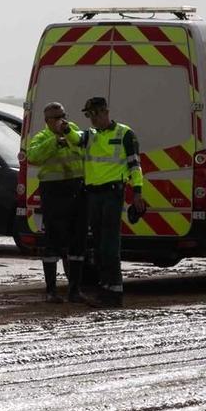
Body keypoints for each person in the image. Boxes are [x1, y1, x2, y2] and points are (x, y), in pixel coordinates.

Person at [80, 95, 143, 307]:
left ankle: (114, 293)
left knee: (109, 244)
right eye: (88, 115)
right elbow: (73, 137)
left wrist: (137, 192)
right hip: (94, 195)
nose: (91, 119)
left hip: (112, 194)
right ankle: (105, 289)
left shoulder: (125, 133)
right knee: (98, 245)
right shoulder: (91, 135)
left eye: (93, 114)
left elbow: (135, 166)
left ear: (104, 112)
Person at [25, 101, 88, 303]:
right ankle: (51, 290)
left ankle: (75, 289)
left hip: (77, 189)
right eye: (57, 117)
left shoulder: (74, 131)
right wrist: (55, 141)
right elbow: (33, 156)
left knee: (78, 240)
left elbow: (83, 145)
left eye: (63, 115)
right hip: (53, 192)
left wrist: (67, 134)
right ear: (47, 121)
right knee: (52, 241)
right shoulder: (42, 137)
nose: (62, 120)